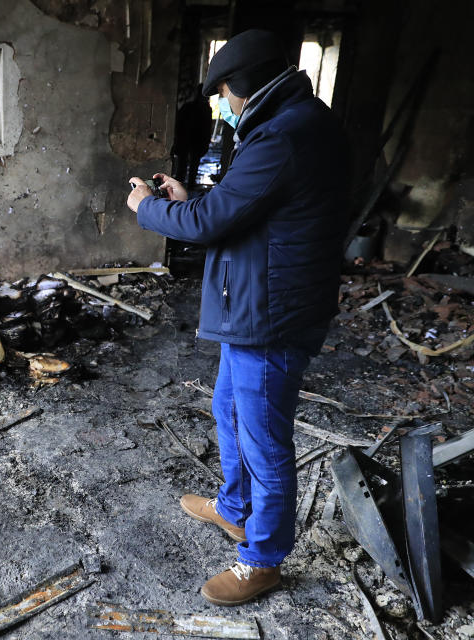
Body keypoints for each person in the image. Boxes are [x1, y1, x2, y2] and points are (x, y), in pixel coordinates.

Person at [126, 29, 350, 606]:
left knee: (264, 441)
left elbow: (210, 223)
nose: (221, 104)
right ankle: (234, 508)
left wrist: (150, 209)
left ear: (242, 85)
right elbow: (246, 205)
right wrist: (187, 197)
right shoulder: (291, 123)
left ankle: (262, 558)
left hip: (271, 315)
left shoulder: (283, 135)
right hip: (257, 301)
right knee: (227, 405)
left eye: (222, 91)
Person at [171, 84, 214, 187]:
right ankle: (186, 185)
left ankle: (182, 185)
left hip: (191, 141)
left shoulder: (192, 107)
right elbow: (179, 125)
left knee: (186, 165)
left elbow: (178, 125)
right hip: (191, 141)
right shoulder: (203, 109)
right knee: (188, 165)